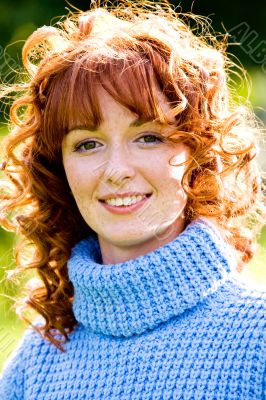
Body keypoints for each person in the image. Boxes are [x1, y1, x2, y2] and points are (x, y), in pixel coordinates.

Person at [0, 0, 265, 398]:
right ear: (60, 171)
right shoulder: (36, 363)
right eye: (88, 144)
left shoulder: (256, 338)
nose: (116, 169)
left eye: (148, 137)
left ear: (197, 153)